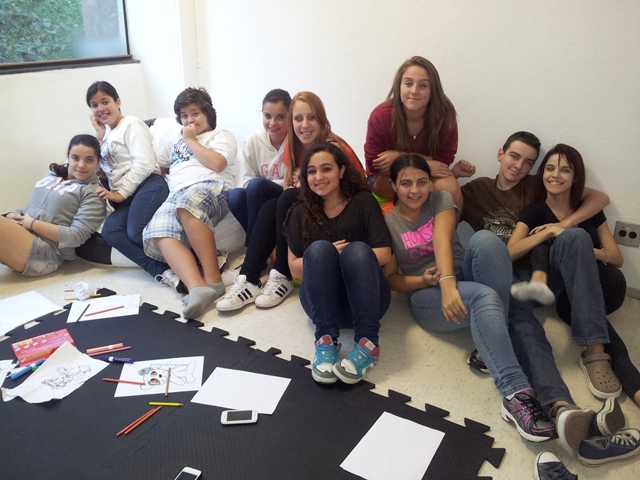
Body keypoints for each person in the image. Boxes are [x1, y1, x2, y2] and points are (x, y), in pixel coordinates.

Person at [459, 131, 630, 452]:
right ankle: (561, 406)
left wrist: (562, 227)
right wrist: (451, 173)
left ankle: (595, 351)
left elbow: (598, 198)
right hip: (506, 277)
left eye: (528, 162)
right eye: (514, 156)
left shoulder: (536, 187)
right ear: (500, 154)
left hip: (546, 273)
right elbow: (447, 198)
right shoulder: (477, 188)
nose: (519, 166)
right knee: (527, 328)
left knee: (576, 237)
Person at [382, 154, 555, 442]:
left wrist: (449, 283)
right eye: (406, 183)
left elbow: (442, 240)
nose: (415, 190)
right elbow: (391, 279)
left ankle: (489, 347)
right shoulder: (388, 222)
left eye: (422, 182)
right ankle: (515, 394)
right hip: (426, 294)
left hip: (459, 274)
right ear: (393, 186)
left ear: (430, 183)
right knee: (484, 297)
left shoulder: (440, 199)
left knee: (486, 240)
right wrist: (425, 281)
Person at [507, 144, 638, 405]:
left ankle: (596, 350)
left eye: (565, 170)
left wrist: (579, 246)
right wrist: (548, 232)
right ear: (542, 174)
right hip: (565, 294)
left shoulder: (589, 211)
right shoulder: (535, 211)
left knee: (576, 237)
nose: (555, 175)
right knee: (604, 332)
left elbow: (617, 258)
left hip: (605, 288)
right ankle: (611, 366)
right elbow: (510, 251)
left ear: (576, 177)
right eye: (550, 168)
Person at [217, 91, 365, 312]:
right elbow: (288, 185)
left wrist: (304, 184)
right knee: (269, 205)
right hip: (312, 202)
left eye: (311, 117)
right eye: (298, 118)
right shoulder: (294, 146)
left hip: (340, 207)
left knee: (283, 197)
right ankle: (249, 277)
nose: (304, 125)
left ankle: (281, 272)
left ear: (322, 119)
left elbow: (351, 192)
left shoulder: (332, 147)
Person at [284, 142, 390, 384]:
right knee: (320, 249)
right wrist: (329, 255)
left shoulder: (363, 202)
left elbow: (384, 254)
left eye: (326, 169)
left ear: (341, 170)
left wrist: (344, 255)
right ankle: (325, 340)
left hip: (367, 302)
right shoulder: (300, 211)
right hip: (321, 307)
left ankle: (368, 343)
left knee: (357, 250)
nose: (319, 177)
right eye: (312, 171)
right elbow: (293, 267)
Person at [143, 87, 239, 320]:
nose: (190, 120)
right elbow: (163, 165)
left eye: (195, 113)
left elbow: (218, 163)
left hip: (211, 187)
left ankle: (213, 280)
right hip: (176, 194)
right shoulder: (176, 140)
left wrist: (190, 139)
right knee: (157, 226)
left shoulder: (220, 135)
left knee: (187, 204)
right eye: (184, 116)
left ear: (208, 113)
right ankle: (197, 288)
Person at [83, 81, 171, 282]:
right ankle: (163, 271)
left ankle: (193, 260)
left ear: (118, 102)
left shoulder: (131, 124)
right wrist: (99, 136)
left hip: (149, 185)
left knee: (135, 232)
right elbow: (101, 170)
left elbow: (145, 163)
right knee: (110, 231)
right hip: (127, 197)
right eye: (94, 105)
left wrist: (120, 193)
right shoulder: (107, 135)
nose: (100, 108)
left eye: (105, 101)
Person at [364, 56, 474, 213]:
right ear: (399, 86)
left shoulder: (444, 115)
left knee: (450, 190)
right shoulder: (380, 115)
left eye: (423, 85)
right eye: (408, 83)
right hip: (385, 177)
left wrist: (398, 157)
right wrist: (426, 163)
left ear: (433, 90)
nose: (414, 91)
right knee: (426, 191)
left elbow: (444, 159)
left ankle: (447, 230)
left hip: (426, 172)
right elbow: (374, 164)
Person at [0, 135, 106, 276]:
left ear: (98, 162)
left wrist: (32, 224)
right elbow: (31, 209)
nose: (81, 165)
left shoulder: (94, 193)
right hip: (24, 235)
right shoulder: (51, 175)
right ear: (68, 157)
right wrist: (11, 214)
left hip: (46, 252)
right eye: (75, 158)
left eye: (89, 160)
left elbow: (76, 236)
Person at [228, 89, 291, 242]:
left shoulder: (296, 140)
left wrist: (265, 184)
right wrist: (264, 185)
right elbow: (247, 183)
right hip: (258, 197)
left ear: (290, 115)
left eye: (280, 117)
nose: (273, 123)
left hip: (285, 195)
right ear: (262, 114)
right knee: (234, 196)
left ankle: (252, 244)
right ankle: (261, 244)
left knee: (258, 185)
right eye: (267, 116)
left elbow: (293, 183)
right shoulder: (253, 141)